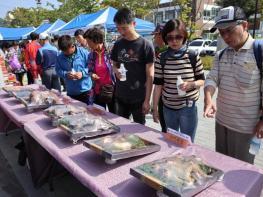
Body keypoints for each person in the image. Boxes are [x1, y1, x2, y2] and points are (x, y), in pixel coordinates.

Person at [203, 6, 263, 164]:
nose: (225, 36)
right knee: (221, 165)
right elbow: (212, 78)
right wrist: (208, 99)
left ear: (244, 25)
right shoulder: (221, 54)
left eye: (229, 30)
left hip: (246, 129)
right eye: (221, 32)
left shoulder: (259, 51)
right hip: (221, 123)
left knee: (239, 175)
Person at [152, 19, 205, 142]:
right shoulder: (162, 58)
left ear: (184, 36)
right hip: (168, 108)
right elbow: (158, 85)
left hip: (188, 107)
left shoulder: (192, 56)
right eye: (170, 38)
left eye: (178, 37)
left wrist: (191, 84)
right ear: (165, 38)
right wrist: (155, 108)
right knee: (172, 141)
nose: (174, 41)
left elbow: (202, 81)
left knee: (187, 143)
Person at [111, 8, 155, 125]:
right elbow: (113, 64)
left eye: (124, 28)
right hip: (120, 95)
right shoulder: (118, 44)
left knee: (139, 130)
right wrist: (115, 70)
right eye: (118, 28)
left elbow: (150, 75)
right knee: (120, 129)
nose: (121, 31)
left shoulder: (146, 45)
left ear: (133, 24)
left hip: (139, 97)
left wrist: (147, 100)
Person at [84, 27, 115, 112]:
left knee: (114, 115)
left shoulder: (111, 52)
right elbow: (89, 70)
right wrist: (91, 74)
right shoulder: (91, 55)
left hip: (111, 91)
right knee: (99, 115)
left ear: (96, 40)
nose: (88, 44)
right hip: (98, 91)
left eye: (89, 42)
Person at [55, 35, 93, 105]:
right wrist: (65, 74)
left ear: (72, 46)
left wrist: (82, 73)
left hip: (86, 91)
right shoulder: (60, 57)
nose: (65, 53)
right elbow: (58, 70)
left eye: (67, 51)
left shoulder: (84, 53)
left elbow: (92, 67)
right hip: (71, 92)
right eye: (63, 51)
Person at [152, 23, 167, 133]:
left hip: (169, 97)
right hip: (161, 95)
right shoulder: (158, 50)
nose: (154, 38)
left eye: (156, 35)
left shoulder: (166, 53)